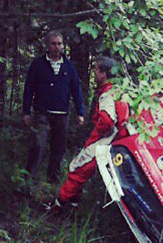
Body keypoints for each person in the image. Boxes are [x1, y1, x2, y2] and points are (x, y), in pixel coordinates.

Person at [45, 56, 129, 211]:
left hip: (104, 142)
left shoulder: (108, 94)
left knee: (77, 169)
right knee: (80, 169)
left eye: (96, 70)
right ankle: (73, 205)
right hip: (115, 142)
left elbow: (107, 121)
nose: (94, 73)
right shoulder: (118, 91)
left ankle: (59, 205)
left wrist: (99, 136)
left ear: (103, 74)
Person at [23, 30, 85, 184]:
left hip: (62, 113)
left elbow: (76, 89)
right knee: (38, 145)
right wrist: (26, 111)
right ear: (47, 45)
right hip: (42, 112)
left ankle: (53, 179)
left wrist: (80, 112)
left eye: (59, 44)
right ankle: (28, 179)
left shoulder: (69, 66)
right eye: (53, 43)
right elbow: (29, 88)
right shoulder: (38, 64)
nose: (56, 47)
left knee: (59, 148)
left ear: (63, 46)